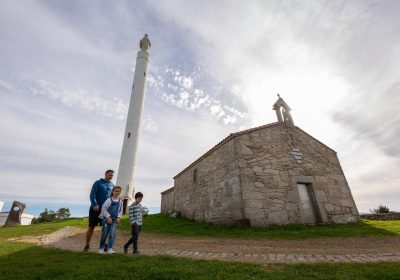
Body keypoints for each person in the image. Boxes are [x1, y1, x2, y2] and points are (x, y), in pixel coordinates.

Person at [83, 170, 115, 252]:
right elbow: (92, 194)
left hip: (105, 210)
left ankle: (103, 245)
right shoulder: (98, 183)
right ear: (105, 174)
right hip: (95, 208)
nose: (111, 176)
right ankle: (87, 245)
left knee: (105, 228)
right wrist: (94, 204)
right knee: (91, 227)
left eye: (112, 175)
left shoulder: (112, 185)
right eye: (109, 175)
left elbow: (113, 197)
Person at [98, 186, 123, 254]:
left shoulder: (120, 201)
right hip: (106, 220)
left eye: (118, 191)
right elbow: (103, 209)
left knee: (112, 234)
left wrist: (119, 217)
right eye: (116, 191)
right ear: (113, 192)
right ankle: (101, 248)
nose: (117, 193)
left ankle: (110, 249)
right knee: (104, 234)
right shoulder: (109, 200)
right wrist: (108, 217)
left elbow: (120, 211)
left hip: (114, 221)